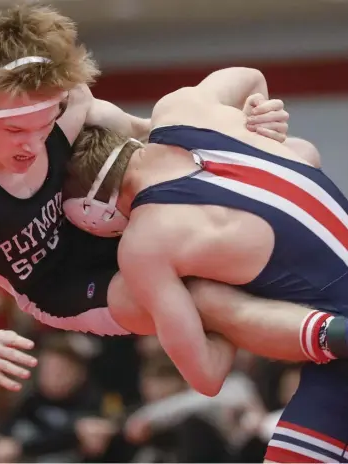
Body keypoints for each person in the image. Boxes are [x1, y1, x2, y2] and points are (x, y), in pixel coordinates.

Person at [0, 3, 286, 392]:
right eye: (15, 132)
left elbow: (150, 139)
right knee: (204, 300)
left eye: (44, 127)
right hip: (65, 287)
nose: (32, 146)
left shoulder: (69, 104)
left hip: (122, 232)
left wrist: (242, 126)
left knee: (278, 171)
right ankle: (324, 335)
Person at [64, 67, 348, 462]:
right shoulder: (182, 106)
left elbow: (208, 376)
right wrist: (259, 114)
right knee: (302, 152)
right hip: (333, 349)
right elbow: (250, 78)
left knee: (203, 297)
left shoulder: (144, 246)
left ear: (90, 214)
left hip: (338, 347)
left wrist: (212, 295)